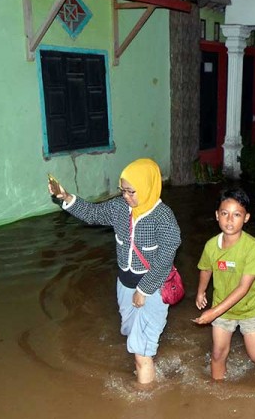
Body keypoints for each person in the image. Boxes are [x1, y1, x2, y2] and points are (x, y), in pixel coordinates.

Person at [47, 158, 181, 385]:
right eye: (123, 190)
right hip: (125, 285)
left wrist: (144, 290)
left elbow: (165, 259)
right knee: (130, 333)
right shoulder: (120, 207)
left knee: (141, 352)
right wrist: (66, 197)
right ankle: (149, 369)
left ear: (148, 186)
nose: (126, 196)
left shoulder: (163, 218)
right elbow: (92, 213)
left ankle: (146, 400)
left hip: (153, 288)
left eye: (131, 191)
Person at [192, 188, 255, 380]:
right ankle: (218, 397)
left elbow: (243, 288)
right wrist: (201, 291)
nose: (230, 220)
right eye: (225, 213)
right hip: (224, 308)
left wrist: (213, 312)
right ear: (217, 216)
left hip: (251, 309)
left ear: (246, 218)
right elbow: (206, 269)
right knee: (217, 354)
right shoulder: (211, 246)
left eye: (236, 214)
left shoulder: (252, 247)